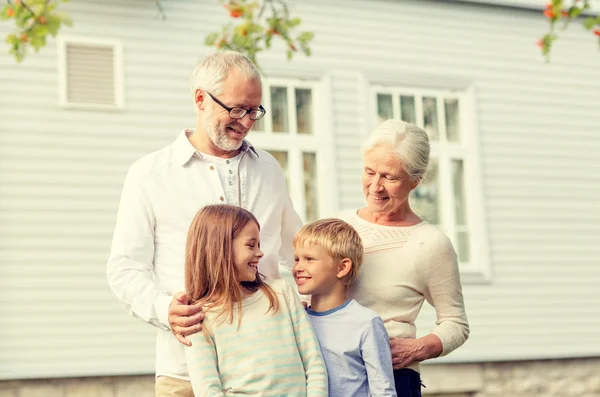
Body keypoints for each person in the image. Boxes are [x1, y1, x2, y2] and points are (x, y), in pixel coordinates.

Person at [106, 51, 303, 397]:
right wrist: (164, 310)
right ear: (200, 98)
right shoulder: (149, 174)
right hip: (187, 371)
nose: (246, 121)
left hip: (270, 370)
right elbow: (125, 268)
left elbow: (298, 250)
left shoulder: (269, 169)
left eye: (254, 111)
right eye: (237, 109)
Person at [338, 119, 470, 397]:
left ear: (415, 181)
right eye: (369, 172)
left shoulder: (430, 244)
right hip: (334, 371)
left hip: (393, 376)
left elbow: (456, 323)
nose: (375, 186)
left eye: (389, 177)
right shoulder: (338, 226)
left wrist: (420, 347)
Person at [184, 204, 328, 397]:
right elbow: (208, 391)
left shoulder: (281, 293)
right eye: (251, 245)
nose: (260, 253)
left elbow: (314, 362)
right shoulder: (199, 319)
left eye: (259, 245)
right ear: (221, 249)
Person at [293, 218, 397, 397]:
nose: (298, 267)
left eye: (309, 259)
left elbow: (383, 390)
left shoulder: (366, 323)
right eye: (296, 259)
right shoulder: (296, 319)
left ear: (342, 267)